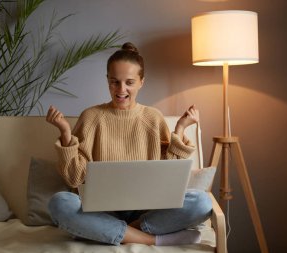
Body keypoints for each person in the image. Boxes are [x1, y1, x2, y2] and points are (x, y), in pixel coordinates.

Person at [46, 42, 212, 246]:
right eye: (114, 82)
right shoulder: (91, 117)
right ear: (107, 80)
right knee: (60, 203)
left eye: (129, 82)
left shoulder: (153, 118)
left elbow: (168, 177)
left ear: (142, 81)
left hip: (146, 212)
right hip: (101, 210)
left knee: (201, 202)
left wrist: (180, 129)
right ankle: (152, 239)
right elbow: (74, 178)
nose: (121, 90)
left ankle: (101, 231)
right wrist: (65, 132)